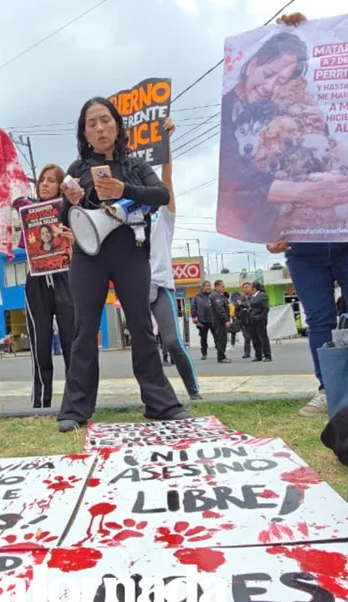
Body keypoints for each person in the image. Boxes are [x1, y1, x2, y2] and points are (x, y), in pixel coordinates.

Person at [258, 13, 348, 417]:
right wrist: (270, 227)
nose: (292, 90)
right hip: (303, 242)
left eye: (298, 81)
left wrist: (300, 32)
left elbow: (327, 68)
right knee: (320, 321)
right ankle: (330, 391)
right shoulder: (270, 130)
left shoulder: (338, 110)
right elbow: (258, 183)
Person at [56, 96, 188, 432]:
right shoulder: (77, 170)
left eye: (105, 120)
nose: (100, 129)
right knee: (84, 329)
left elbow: (161, 196)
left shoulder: (135, 165)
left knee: (142, 326)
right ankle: (76, 409)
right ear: (84, 134)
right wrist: (70, 203)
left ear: (117, 125)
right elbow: (65, 219)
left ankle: (160, 403)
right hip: (89, 257)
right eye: (91, 124)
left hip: (132, 254)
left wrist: (123, 188)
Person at [217, 16, 348, 241]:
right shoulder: (231, 108)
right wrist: (306, 193)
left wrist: (308, 30)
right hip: (261, 227)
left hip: (314, 230)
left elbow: (318, 156)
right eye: (267, 74)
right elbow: (237, 178)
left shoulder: (284, 106)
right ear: (252, 65)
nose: (269, 87)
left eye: (280, 81)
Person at [149, 117, 201, 399]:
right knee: (145, 348)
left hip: (160, 287)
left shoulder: (163, 217)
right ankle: (158, 397)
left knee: (171, 341)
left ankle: (193, 391)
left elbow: (167, 179)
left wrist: (166, 141)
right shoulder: (124, 216)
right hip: (134, 289)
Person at [23, 164, 76, 408]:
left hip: (65, 278)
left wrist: (71, 238)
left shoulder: (70, 210)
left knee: (71, 343)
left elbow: (84, 242)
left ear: (60, 185)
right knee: (40, 345)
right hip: (36, 281)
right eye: (42, 179)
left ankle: (76, 401)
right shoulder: (27, 210)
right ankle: (41, 403)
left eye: (51, 180)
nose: (45, 184)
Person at [242, 280, 272, 362]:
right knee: (255, 338)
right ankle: (258, 355)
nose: (249, 289)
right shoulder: (252, 297)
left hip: (259, 320)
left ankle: (267, 355)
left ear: (254, 288)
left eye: (250, 287)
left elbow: (266, 308)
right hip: (252, 320)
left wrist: (261, 318)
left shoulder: (262, 296)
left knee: (263, 338)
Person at [191, 281, 214, 361]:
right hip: (202, 320)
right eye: (207, 286)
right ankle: (204, 354)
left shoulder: (213, 295)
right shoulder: (197, 296)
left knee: (217, 337)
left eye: (209, 286)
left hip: (213, 320)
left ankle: (220, 353)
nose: (208, 287)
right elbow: (193, 307)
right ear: (203, 287)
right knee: (203, 338)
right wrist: (194, 316)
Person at [210, 280, 232, 364]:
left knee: (222, 338)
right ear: (217, 286)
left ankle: (222, 356)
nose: (224, 288)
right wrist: (225, 320)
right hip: (219, 321)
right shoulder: (215, 296)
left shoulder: (220, 295)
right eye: (222, 286)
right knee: (221, 339)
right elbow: (220, 309)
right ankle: (221, 357)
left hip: (219, 321)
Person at [234, 292, 252, 359]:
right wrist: (239, 316)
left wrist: (242, 304)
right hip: (243, 321)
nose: (246, 289)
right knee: (247, 337)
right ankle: (246, 353)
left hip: (252, 320)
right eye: (244, 287)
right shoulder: (240, 299)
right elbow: (236, 310)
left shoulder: (253, 297)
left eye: (247, 287)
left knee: (257, 337)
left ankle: (260, 352)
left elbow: (250, 305)